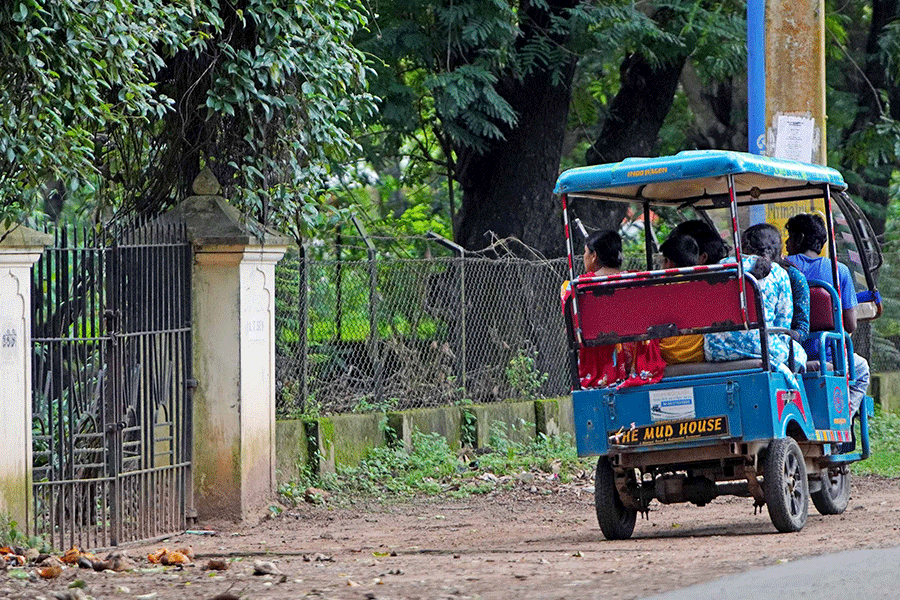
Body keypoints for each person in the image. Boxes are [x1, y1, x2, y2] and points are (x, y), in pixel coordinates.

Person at [785, 213, 869, 419]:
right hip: (828, 355)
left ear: (800, 238)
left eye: (790, 236)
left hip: (789, 352)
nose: (786, 242)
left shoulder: (781, 267)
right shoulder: (839, 270)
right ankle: (842, 418)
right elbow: (850, 325)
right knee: (862, 369)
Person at [703, 227, 807, 375]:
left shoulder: (721, 266)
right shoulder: (779, 274)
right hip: (763, 350)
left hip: (717, 350)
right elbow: (782, 325)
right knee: (799, 355)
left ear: (743, 246)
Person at [742, 223, 810, 344]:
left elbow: (802, 329)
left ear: (745, 249)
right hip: (767, 344)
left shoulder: (729, 269)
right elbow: (782, 322)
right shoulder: (780, 274)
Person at [658, 234, 704, 364]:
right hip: (699, 356)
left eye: (663, 261)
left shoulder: (658, 290)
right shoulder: (703, 287)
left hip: (666, 357)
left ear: (669, 263)